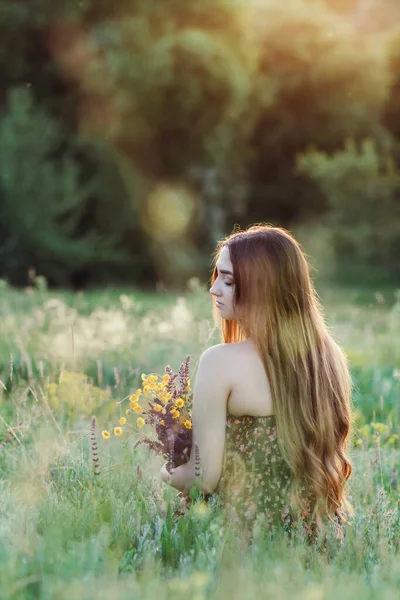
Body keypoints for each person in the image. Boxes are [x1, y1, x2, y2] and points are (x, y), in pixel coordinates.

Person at [160, 224, 353, 539]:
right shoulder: (328, 359)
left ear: (264, 287)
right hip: (312, 535)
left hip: (237, 538)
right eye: (217, 276)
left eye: (229, 280)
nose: (214, 289)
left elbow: (204, 479)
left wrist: (167, 470)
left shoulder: (220, 362)